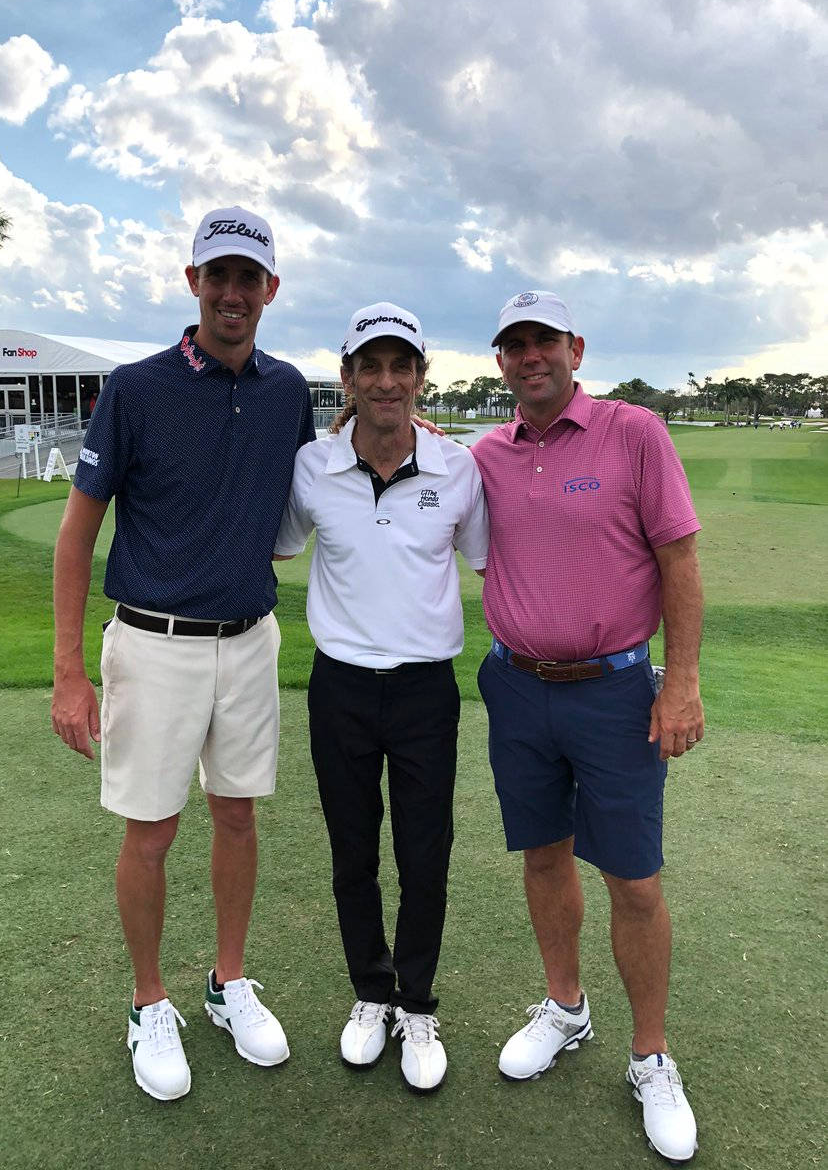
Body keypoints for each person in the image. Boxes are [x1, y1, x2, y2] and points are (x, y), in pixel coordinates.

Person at [51, 207, 315, 1102]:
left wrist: (416, 436)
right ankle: (148, 1000)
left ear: (270, 289)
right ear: (192, 280)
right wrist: (67, 671)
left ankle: (228, 981)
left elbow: (320, 486)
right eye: (219, 275)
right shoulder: (135, 386)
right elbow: (78, 532)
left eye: (249, 278)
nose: (233, 292)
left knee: (238, 816)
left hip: (248, 641)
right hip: (152, 642)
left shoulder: (287, 392)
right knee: (152, 829)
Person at [471, 291, 704, 1163]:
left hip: (615, 693)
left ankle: (651, 1056)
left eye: (543, 341)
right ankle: (565, 1008)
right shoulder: (487, 452)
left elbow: (679, 559)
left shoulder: (634, 431)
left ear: (574, 347)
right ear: (500, 361)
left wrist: (679, 682)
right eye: (513, 345)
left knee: (635, 881)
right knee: (542, 853)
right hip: (516, 686)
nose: (529, 356)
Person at [274, 303, 488, 1093]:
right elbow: (282, 541)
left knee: (424, 854)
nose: (388, 381)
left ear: (421, 377)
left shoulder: (457, 469)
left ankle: (417, 1004)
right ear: (349, 378)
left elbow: (482, 559)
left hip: (427, 689)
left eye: (403, 366)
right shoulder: (312, 468)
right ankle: (372, 993)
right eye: (373, 366)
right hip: (340, 690)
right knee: (352, 853)